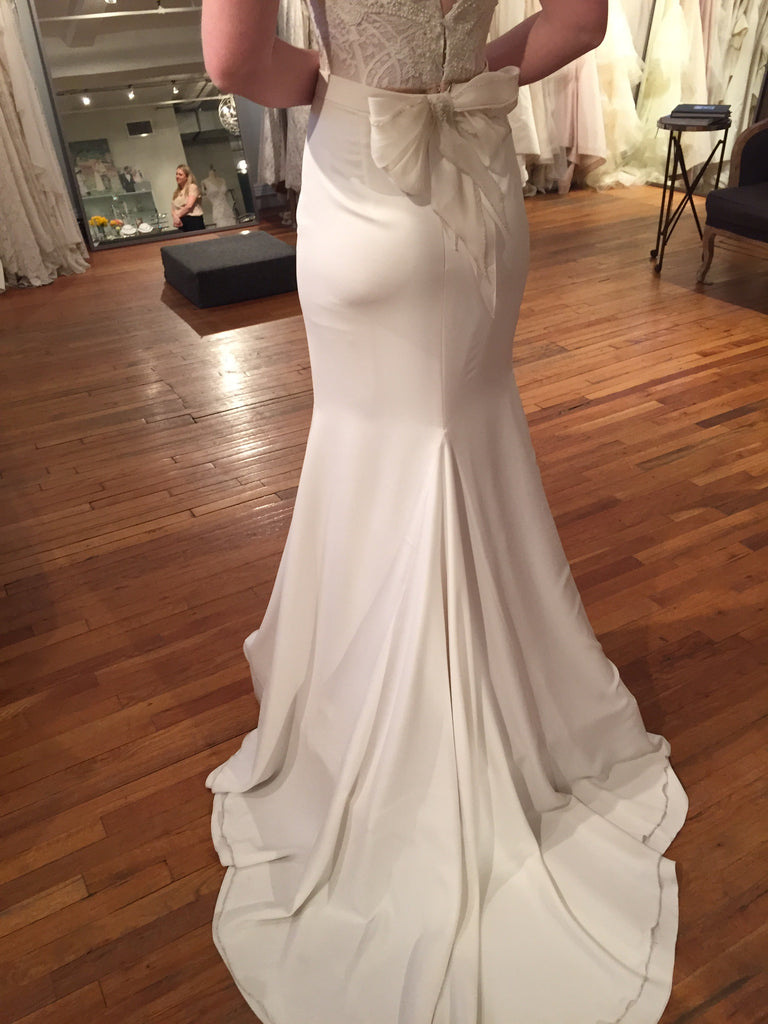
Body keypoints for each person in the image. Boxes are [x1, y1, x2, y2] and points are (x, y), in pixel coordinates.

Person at [200, 2, 688, 1023]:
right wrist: (473, 68)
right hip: (478, 167)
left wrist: (336, 86)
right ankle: (495, 714)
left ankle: (377, 733)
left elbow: (235, 59)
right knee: (468, 432)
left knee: (365, 446)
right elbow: (582, 23)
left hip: (362, 172)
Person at [171, 164, 205, 231]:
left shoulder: (192, 187)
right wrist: (175, 217)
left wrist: (177, 216)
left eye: (180, 174)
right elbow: (173, 208)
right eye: (176, 174)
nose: (177, 176)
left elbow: (189, 206)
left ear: (186, 177)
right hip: (182, 222)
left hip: (193, 221)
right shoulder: (177, 192)